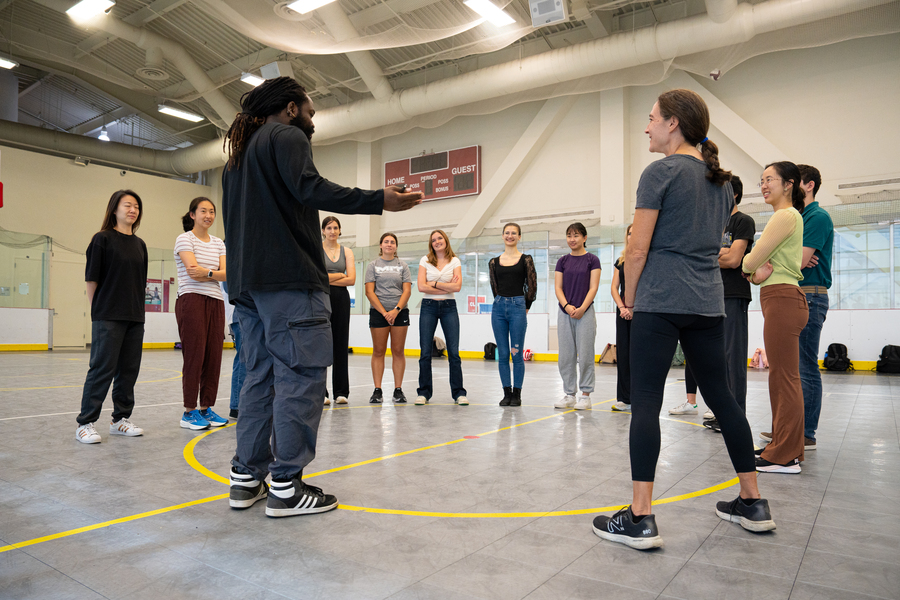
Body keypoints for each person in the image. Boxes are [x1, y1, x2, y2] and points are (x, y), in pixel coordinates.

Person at [222, 76, 422, 517]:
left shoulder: (237, 157)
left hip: (247, 288)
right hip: (290, 282)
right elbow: (311, 188)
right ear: (291, 108)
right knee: (300, 378)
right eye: (310, 112)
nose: (313, 121)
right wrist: (379, 199)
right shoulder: (287, 136)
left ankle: (245, 478)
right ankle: (287, 488)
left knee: (259, 378)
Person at [592, 89, 775, 550]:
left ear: (674, 123)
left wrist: (630, 297)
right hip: (707, 302)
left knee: (647, 400)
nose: (648, 127)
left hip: (661, 298)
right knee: (724, 399)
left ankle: (640, 517)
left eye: (652, 118)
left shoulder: (660, 172)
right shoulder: (720, 182)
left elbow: (637, 248)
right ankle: (752, 502)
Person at [742, 161, 808, 474]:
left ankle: (786, 454)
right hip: (776, 295)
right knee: (779, 378)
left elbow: (752, 260)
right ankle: (780, 445)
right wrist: (755, 274)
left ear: (789, 184)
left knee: (785, 378)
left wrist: (748, 267)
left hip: (782, 298)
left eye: (770, 179)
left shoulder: (785, 215)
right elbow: (758, 273)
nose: (764, 185)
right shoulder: (782, 217)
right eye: (762, 180)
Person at [761, 165, 831, 453]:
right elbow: (794, 257)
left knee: (801, 367)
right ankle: (787, 431)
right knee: (787, 369)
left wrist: (771, 260)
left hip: (809, 294)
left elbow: (799, 261)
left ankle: (805, 433)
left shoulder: (815, 217)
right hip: (792, 292)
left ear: (808, 186)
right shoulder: (796, 217)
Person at [75, 190, 148, 444]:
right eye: (127, 205)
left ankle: (120, 420)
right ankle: (85, 423)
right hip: (107, 315)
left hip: (135, 316)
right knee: (102, 369)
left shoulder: (140, 245)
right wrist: (98, 311)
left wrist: (139, 312)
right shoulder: (101, 239)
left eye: (136, 206)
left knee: (128, 370)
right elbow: (91, 279)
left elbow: (140, 282)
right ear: (114, 209)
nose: (133, 210)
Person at [701, 175, 755, 430]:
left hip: (733, 294)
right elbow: (700, 254)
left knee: (734, 359)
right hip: (710, 295)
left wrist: (714, 253)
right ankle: (722, 412)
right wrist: (720, 253)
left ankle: (735, 417)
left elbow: (734, 260)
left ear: (733, 194)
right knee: (716, 360)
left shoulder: (743, 221)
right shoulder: (712, 223)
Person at [174, 197, 228, 430]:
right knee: (195, 355)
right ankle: (189, 411)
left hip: (216, 301)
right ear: (192, 215)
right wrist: (213, 272)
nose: (208, 215)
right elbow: (192, 271)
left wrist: (207, 272)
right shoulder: (184, 239)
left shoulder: (219, 243)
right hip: (191, 299)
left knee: (214, 356)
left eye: (212, 211)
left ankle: (206, 407)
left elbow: (227, 274)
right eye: (203, 211)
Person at [415, 229, 468, 406]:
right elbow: (421, 287)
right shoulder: (425, 260)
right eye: (434, 240)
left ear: (445, 240)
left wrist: (435, 283)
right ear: (431, 244)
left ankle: (459, 393)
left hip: (449, 307)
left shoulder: (455, 261)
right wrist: (447, 286)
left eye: (440, 238)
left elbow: (458, 287)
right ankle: (424, 393)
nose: (437, 241)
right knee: (424, 352)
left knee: (454, 352)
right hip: (428, 307)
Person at [553, 222, 601, 410]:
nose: (572, 239)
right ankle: (569, 394)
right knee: (566, 356)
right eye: (569, 235)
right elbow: (558, 287)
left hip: (585, 313)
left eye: (576, 235)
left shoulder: (592, 260)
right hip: (565, 313)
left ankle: (586, 395)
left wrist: (582, 308)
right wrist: (566, 306)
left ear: (584, 238)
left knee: (586, 355)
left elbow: (593, 287)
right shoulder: (562, 261)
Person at [489, 223, 537, 407]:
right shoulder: (494, 262)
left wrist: (526, 305)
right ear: (502, 236)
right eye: (507, 233)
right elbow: (495, 287)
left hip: (518, 306)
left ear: (519, 237)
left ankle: (517, 394)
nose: (510, 236)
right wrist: (501, 303)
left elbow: (531, 284)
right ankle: (506, 392)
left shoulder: (526, 259)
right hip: (499, 308)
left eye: (514, 233)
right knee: (502, 354)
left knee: (516, 353)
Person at [365, 233, 413, 405]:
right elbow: (369, 291)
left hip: (400, 313)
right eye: (386, 241)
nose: (389, 244)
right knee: (378, 351)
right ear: (380, 245)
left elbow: (406, 291)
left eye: (392, 242)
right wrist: (384, 312)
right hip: (379, 313)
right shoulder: (373, 265)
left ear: (396, 246)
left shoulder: (403, 266)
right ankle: (377, 390)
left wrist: (395, 310)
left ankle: (398, 390)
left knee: (398, 351)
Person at [322, 216, 355, 406]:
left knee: (341, 344)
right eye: (329, 228)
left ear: (340, 231)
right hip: (322, 298)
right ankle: (322, 392)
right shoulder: (317, 250)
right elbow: (317, 277)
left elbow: (351, 280)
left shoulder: (347, 251)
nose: (332, 231)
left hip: (341, 299)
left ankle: (341, 391)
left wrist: (329, 277)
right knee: (323, 344)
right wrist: (339, 275)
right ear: (323, 231)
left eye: (335, 228)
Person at [610, 224, 633, 412]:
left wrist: (635, 308)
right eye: (630, 233)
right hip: (624, 313)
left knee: (640, 356)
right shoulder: (621, 260)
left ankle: (641, 397)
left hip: (642, 313)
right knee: (624, 355)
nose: (632, 237)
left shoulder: (649, 258)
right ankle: (624, 398)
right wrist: (622, 307)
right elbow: (614, 288)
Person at [223, 281, 244, 419]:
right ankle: (237, 405)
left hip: (248, 313)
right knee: (244, 359)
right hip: (240, 313)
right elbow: (227, 285)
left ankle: (239, 404)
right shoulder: (233, 260)